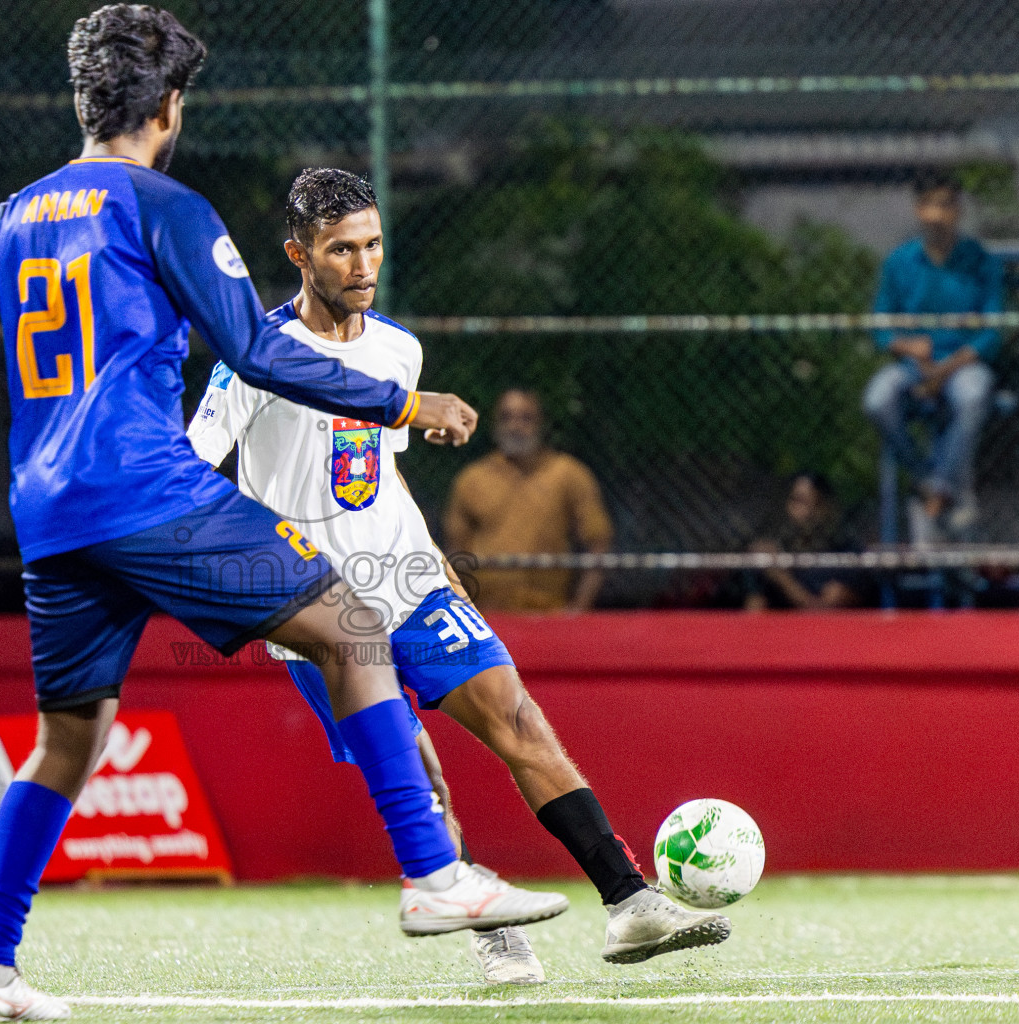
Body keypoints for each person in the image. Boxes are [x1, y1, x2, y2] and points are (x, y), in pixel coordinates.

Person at [0, 9, 563, 1021]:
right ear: (170, 105)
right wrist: (402, 402)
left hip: (51, 519)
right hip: (152, 493)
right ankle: (433, 873)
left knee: (66, 738)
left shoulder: (8, 217)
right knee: (354, 628)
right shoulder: (167, 206)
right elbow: (259, 352)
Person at [188, 167, 731, 983]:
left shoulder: (397, 347)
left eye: (373, 244)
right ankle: (490, 929)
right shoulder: (251, 361)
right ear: (299, 254)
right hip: (317, 614)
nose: (363, 265)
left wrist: (433, 548)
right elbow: (191, 471)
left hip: (410, 581)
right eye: (341, 250)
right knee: (419, 763)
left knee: (519, 716)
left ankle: (629, 904)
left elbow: (378, 467)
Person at [862, 170, 1003, 543]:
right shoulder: (899, 262)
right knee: (878, 399)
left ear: (959, 210)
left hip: (962, 364)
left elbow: (992, 332)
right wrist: (909, 349)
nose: (941, 215)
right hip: (913, 366)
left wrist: (946, 369)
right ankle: (926, 479)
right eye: (933, 206)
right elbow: (881, 328)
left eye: (949, 206)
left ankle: (940, 488)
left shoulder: (981, 262)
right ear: (919, 210)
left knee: (973, 396)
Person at [443, 390, 613, 612]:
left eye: (525, 418)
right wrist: (464, 611)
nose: (515, 426)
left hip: (549, 616)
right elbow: (454, 553)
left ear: (541, 424)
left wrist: (578, 610)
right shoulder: (472, 480)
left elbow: (598, 542)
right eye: (506, 417)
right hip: (488, 617)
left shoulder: (568, 474)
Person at [743, 473, 866, 611]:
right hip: (781, 630)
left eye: (804, 502)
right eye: (794, 501)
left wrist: (781, 577)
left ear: (824, 508)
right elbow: (754, 614)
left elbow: (823, 614)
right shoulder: (777, 551)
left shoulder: (846, 554)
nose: (798, 510)